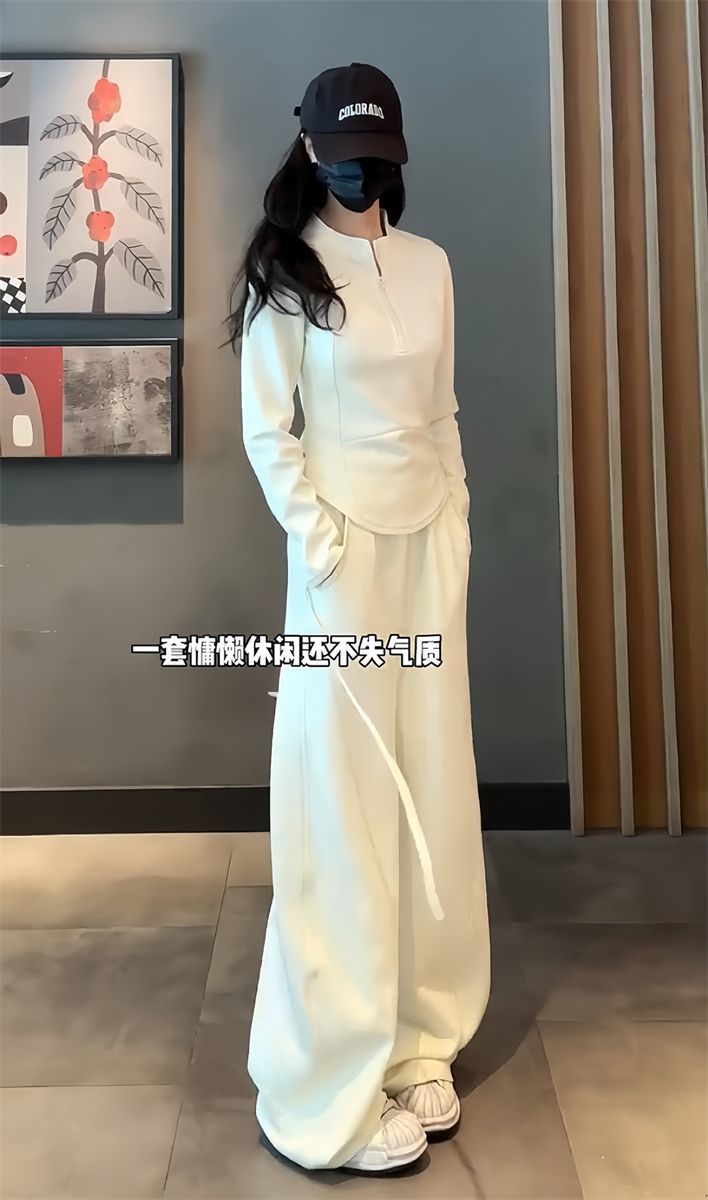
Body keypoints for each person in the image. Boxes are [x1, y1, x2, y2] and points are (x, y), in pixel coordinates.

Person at [223, 62, 490, 1175]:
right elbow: (266, 429)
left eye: (375, 156)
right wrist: (322, 543)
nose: (358, 172)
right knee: (340, 803)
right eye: (341, 154)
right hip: (343, 564)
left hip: (428, 550)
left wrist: (456, 515)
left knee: (434, 782)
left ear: (396, 156)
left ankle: (422, 1035)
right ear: (310, 149)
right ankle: (326, 1079)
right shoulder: (286, 272)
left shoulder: (429, 266)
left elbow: (442, 408)